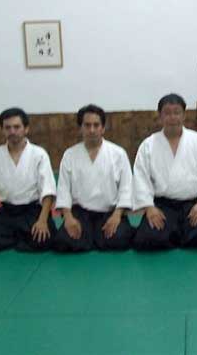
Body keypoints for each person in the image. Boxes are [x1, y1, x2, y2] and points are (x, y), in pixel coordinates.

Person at [132, 94, 197, 250]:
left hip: (194, 204)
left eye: (177, 112)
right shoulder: (148, 145)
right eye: (167, 113)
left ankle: (177, 233)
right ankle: (178, 233)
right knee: (147, 240)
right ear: (160, 116)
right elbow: (141, 178)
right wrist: (149, 208)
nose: (172, 117)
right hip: (162, 206)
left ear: (184, 115)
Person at [0, 107, 57, 254]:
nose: (12, 131)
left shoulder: (38, 154)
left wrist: (42, 220)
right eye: (8, 128)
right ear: (3, 130)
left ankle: (14, 237)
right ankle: (18, 236)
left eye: (17, 127)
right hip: (7, 213)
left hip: (32, 212)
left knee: (45, 241)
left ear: (26, 129)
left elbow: (48, 191)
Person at [52, 104, 135, 252]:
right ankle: (93, 237)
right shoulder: (70, 155)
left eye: (96, 125)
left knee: (120, 239)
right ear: (81, 128)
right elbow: (63, 189)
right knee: (63, 241)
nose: (92, 130)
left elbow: (126, 188)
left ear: (103, 128)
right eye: (87, 125)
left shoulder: (118, 154)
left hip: (110, 212)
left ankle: (92, 238)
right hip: (81, 213)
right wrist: (69, 218)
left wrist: (117, 216)